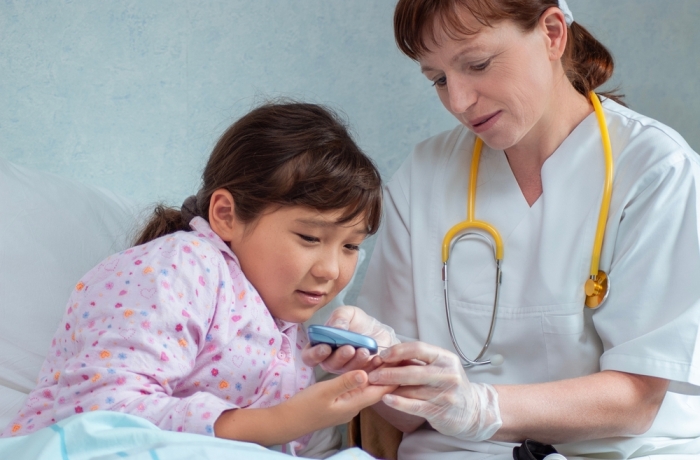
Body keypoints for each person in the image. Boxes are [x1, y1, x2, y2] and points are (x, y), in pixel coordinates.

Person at [303, 1, 700, 458]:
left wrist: (480, 405)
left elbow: (637, 399)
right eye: (439, 79)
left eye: (477, 64)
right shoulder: (425, 176)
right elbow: (406, 415)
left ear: (552, 34)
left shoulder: (656, 171)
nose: (458, 101)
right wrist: (377, 368)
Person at [1, 101, 395, 456]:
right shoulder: (180, 266)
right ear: (226, 214)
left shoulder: (288, 325)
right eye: (310, 237)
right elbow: (102, 412)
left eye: (351, 246)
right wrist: (283, 421)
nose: (332, 270)